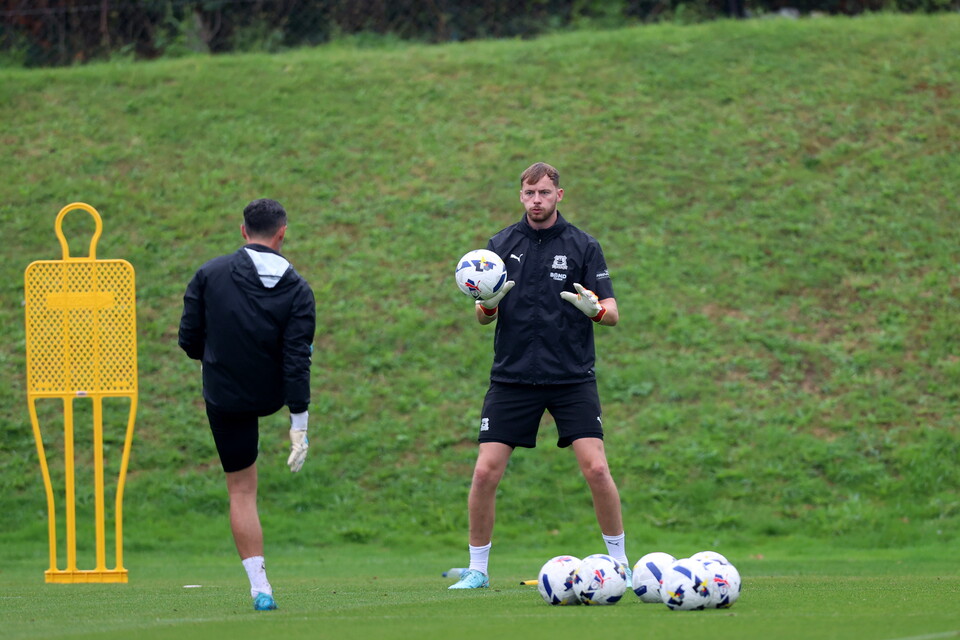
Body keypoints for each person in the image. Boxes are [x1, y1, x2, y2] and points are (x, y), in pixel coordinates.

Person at [449, 162, 629, 590]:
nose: (536, 201)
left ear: (558, 195)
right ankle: (477, 570)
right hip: (512, 377)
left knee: (597, 469)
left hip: (571, 377)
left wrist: (595, 310)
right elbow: (482, 317)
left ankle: (621, 563)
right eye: (529, 193)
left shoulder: (583, 246)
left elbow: (612, 313)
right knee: (484, 473)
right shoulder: (500, 246)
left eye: (544, 193)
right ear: (521, 195)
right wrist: (488, 303)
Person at [178, 198, 316, 610]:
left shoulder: (209, 274)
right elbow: (297, 359)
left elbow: (188, 340)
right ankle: (260, 587)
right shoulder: (299, 289)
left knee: (241, 490)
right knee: (243, 488)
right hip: (271, 393)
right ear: (282, 233)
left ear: (243, 231)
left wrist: (219, 356)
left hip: (225, 394)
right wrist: (299, 424)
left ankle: (261, 588)